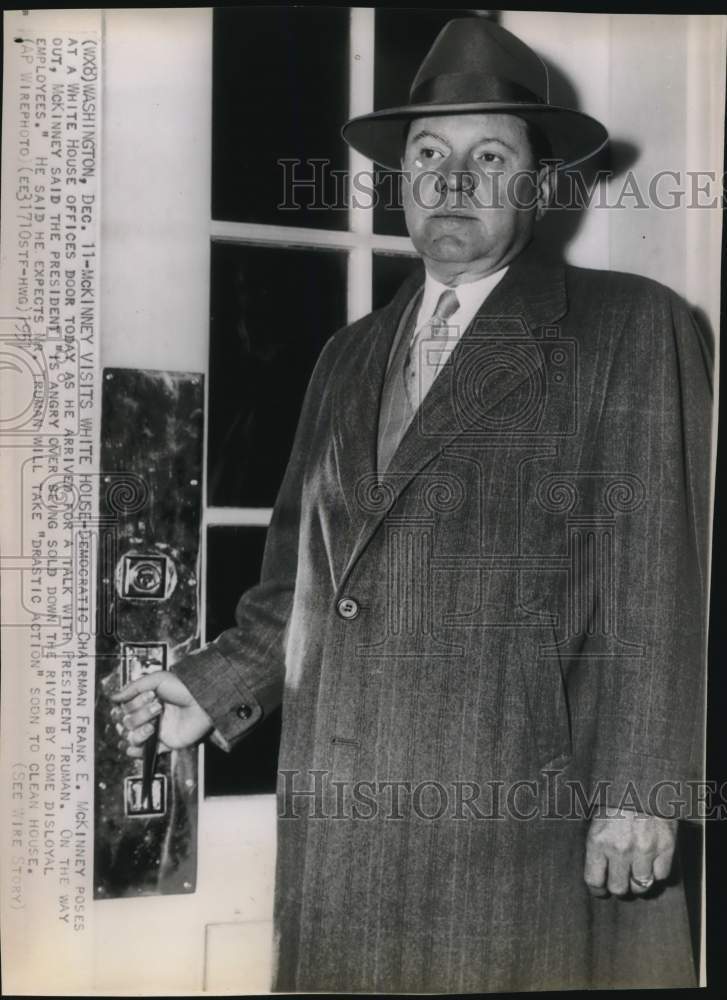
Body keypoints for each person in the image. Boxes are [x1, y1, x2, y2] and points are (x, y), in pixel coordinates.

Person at [111, 18, 712, 993]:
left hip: (518, 830)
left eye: (490, 155)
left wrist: (641, 790)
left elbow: (657, 568)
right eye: (428, 154)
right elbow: (296, 583)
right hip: (339, 832)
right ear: (398, 181)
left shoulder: (628, 326)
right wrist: (213, 684)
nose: (452, 180)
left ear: (545, 182)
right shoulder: (346, 355)